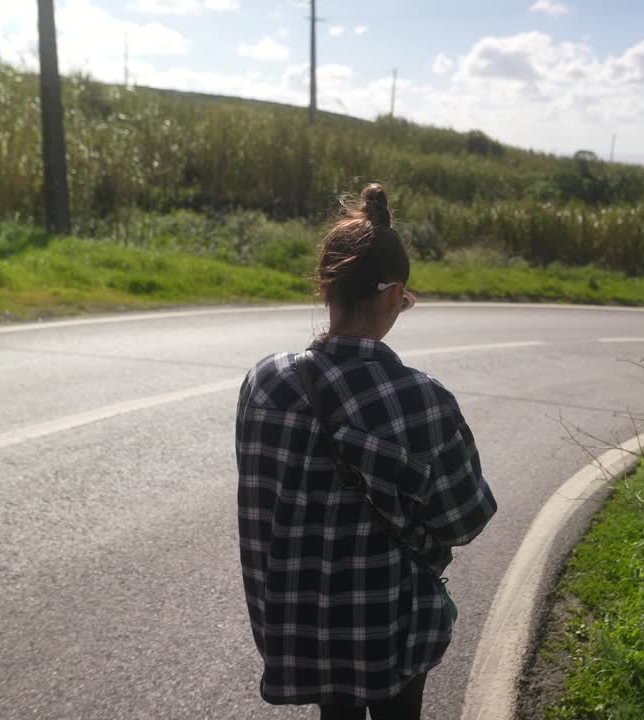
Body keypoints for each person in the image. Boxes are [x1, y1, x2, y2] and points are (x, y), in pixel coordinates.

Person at [235, 183, 498, 720]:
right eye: (405, 299)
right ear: (392, 292)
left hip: (300, 628)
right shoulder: (422, 400)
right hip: (389, 631)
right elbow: (464, 522)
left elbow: (262, 498)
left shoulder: (264, 382)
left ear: (327, 285)